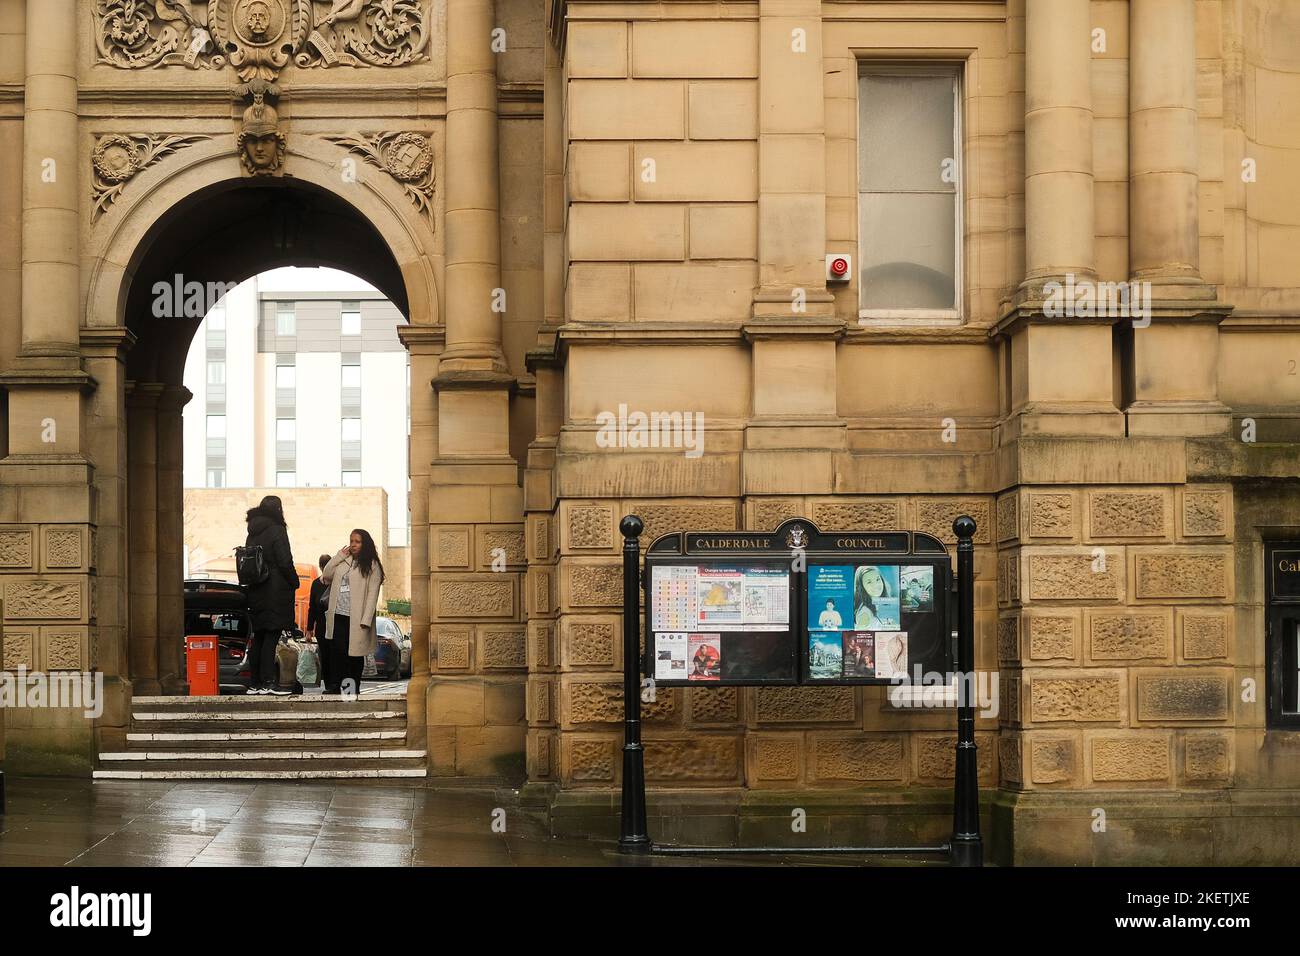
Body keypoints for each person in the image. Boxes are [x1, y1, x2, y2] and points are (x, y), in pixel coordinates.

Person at [243, 495, 297, 696]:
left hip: (256, 589)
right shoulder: (277, 529)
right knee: (271, 635)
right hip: (275, 590)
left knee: (259, 636)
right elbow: (285, 561)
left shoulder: (252, 532)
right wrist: (294, 581)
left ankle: (255, 683)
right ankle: (268, 681)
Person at [320, 529, 385, 696]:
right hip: (338, 616)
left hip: (356, 619)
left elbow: (372, 594)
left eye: (357, 541)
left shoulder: (372, 565)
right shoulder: (344, 561)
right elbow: (326, 574)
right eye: (351, 541)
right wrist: (339, 556)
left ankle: (350, 690)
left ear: (365, 544)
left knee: (353, 656)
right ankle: (336, 687)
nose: (353, 545)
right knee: (338, 654)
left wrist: (366, 619)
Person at [306, 553, 331, 690]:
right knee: (326, 656)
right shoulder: (316, 584)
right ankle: (329, 684)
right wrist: (309, 630)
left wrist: (309, 630)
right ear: (321, 567)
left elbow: (312, 609)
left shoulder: (335, 582)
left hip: (333, 625)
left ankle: (333, 683)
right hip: (322, 627)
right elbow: (312, 608)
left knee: (331, 656)